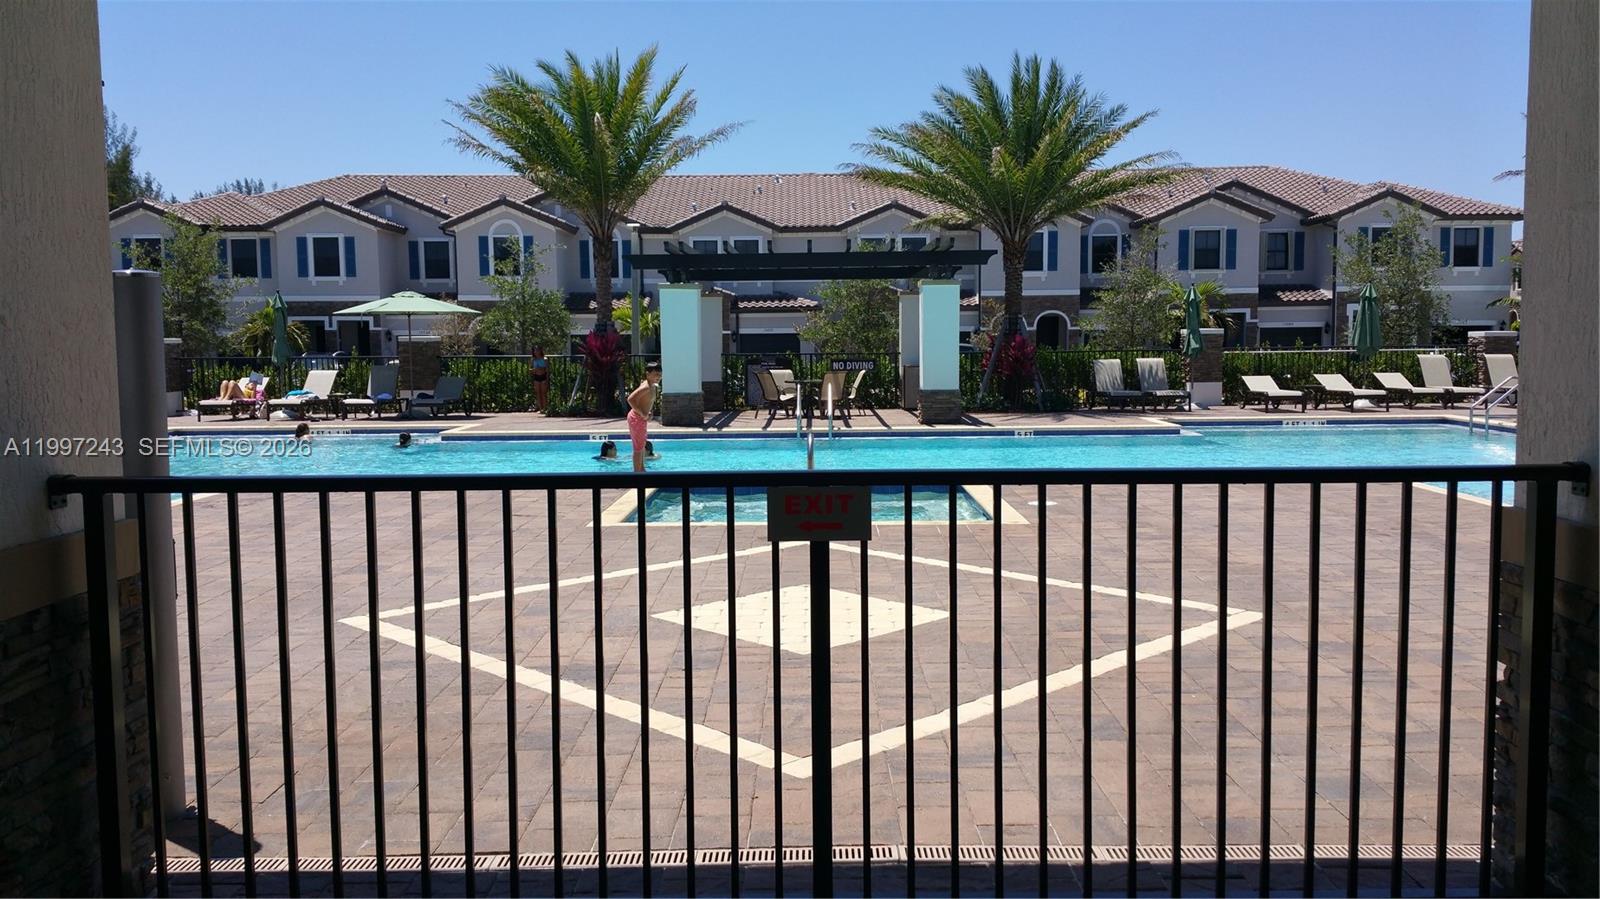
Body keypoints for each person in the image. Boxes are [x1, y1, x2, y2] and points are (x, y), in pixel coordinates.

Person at [627, 361, 661, 472]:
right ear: (648, 374)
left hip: (641, 418)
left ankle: (641, 470)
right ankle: (637, 474)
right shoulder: (646, 386)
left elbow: (644, 402)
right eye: (656, 374)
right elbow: (631, 399)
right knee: (638, 448)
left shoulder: (652, 386)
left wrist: (647, 413)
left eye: (660, 374)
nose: (658, 376)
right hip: (637, 418)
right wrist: (643, 414)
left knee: (641, 446)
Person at [530, 345, 550, 413]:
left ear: (541, 350)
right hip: (536, 377)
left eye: (537, 350)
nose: (536, 352)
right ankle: (540, 408)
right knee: (538, 393)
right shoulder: (533, 359)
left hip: (543, 376)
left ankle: (545, 408)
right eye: (535, 350)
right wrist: (533, 370)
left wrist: (547, 380)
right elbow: (530, 369)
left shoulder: (545, 359)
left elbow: (547, 370)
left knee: (544, 393)